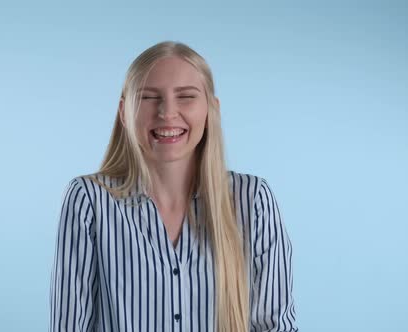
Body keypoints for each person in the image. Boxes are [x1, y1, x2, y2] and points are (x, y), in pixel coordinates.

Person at [49, 40, 298, 332]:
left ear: (211, 110)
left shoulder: (253, 201)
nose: (167, 112)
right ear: (124, 112)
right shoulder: (88, 201)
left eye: (186, 97)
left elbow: (274, 326)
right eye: (149, 97)